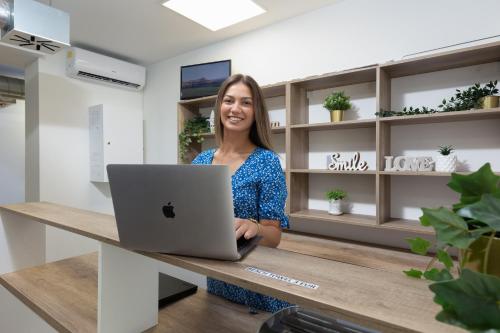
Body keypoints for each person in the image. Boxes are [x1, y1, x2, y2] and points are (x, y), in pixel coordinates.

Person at [191, 74, 291, 313]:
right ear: (219, 107)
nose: (236, 108)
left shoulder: (267, 162)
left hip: (257, 290)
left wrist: (255, 228)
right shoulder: (201, 160)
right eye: (229, 100)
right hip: (217, 281)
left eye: (246, 102)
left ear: (256, 112)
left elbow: (274, 236)